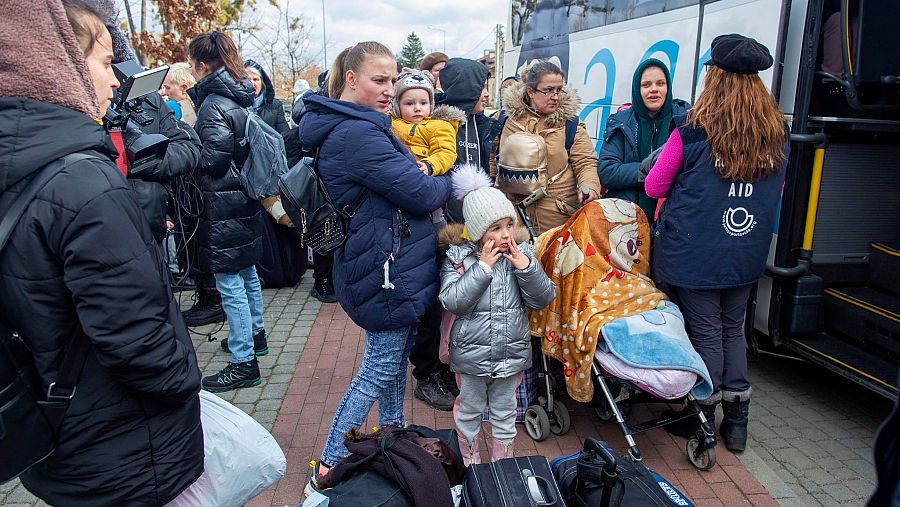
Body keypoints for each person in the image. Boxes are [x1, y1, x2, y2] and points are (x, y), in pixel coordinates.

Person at [0, 0, 203, 504]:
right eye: (105, 61)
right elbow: (136, 339)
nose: (117, 81)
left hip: (52, 432)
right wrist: (185, 383)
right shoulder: (80, 180)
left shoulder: (25, 167)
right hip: (127, 447)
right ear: (57, 62)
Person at [299, 41, 452, 491]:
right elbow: (421, 194)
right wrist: (443, 178)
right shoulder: (357, 134)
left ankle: (391, 438)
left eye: (393, 79)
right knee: (379, 370)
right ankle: (326, 465)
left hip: (383, 266)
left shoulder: (357, 125)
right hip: (385, 273)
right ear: (351, 78)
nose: (390, 89)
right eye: (379, 80)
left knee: (389, 364)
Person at [645, 34, 788, 452]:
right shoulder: (776, 133)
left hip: (695, 252)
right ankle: (737, 424)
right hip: (744, 249)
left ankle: (701, 419)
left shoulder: (692, 130)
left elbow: (655, 186)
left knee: (706, 333)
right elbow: (775, 192)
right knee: (733, 330)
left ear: (715, 76)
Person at [440, 164, 555, 464]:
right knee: (469, 410)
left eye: (508, 225)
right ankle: (470, 463)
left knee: (506, 414)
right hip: (470, 356)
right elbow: (452, 300)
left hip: (511, 353)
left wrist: (526, 269)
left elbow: (543, 298)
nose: (506, 234)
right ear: (478, 232)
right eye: (496, 228)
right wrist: (482, 269)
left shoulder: (522, 254)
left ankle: (503, 465)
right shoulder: (459, 258)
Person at [411, 57, 499, 411]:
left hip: (473, 230)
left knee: (462, 303)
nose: (488, 94)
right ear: (466, 90)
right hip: (438, 229)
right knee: (433, 304)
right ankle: (427, 373)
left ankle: (451, 365)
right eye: (482, 87)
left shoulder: (483, 125)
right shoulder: (439, 126)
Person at [188, 31, 268, 391]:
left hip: (222, 202)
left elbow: (215, 160)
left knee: (230, 283)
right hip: (241, 199)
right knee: (246, 272)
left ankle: (243, 361)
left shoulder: (212, 104)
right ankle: (255, 336)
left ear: (202, 65)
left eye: (192, 64)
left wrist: (187, 143)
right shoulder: (237, 97)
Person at [496, 58, 601, 234]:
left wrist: (589, 187)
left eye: (559, 90)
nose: (555, 97)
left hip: (557, 217)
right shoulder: (506, 120)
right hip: (512, 217)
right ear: (530, 91)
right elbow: (494, 161)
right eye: (548, 90)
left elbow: (586, 162)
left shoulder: (570, 125)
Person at [598, 58, 689, 223]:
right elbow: (607, 172)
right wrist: (651, 170)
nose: (654, 90)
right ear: (637, 89)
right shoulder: (620, 122)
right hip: (627, 222)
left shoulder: (685, 120)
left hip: (672, 220)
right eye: (646, 85)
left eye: (660, 83)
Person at [390, 68, 465, 228]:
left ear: (431, 104)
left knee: (435, 222)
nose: (417, 108)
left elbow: (446, 152)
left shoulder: (439, 126)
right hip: (399, 183)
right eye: (409, 103)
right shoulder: (391, 123)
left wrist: (430, 165)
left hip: (426, 179)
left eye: (423, 103)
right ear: (397, 105)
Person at [245, 59, 291, 136]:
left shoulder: (275, 106)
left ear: (262, 83)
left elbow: (285, 136)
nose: (252, 83)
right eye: (247, 79)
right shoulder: (235, 107)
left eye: (256, 79)